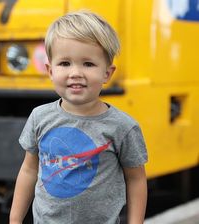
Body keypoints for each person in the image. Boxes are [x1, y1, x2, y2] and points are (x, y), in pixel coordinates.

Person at [9, 10, 148, 224]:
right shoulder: (39, 117)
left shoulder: (123, 127)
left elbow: (136, 179)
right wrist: (15, 220)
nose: (76, 72)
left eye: (88, 64)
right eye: (65, 63)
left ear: (107, 74)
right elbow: (29, 170)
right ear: (50, 70)